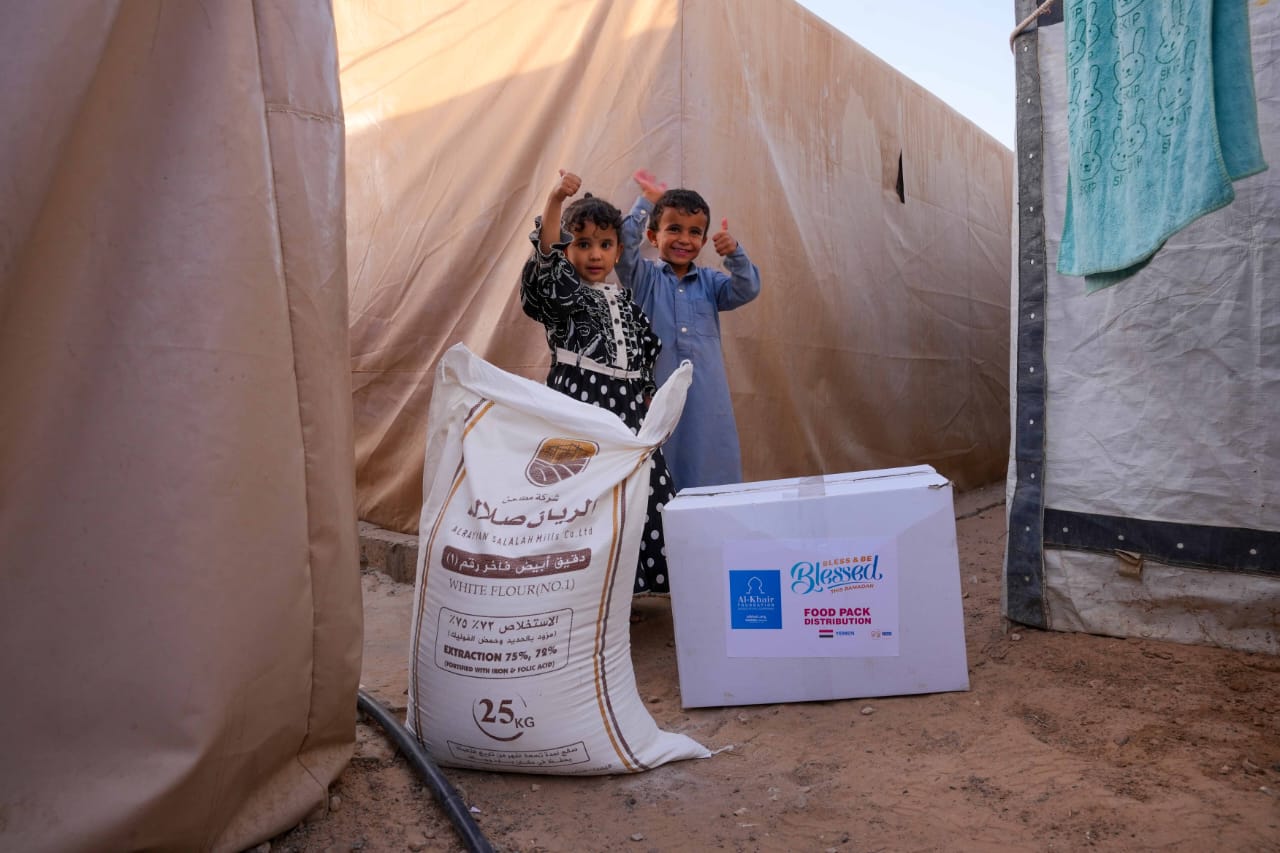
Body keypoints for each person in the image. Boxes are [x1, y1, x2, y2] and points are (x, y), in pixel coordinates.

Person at [520, 170, 674, 596]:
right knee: (583, 498)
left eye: (604, 245)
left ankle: (630, 588)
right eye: (582, 244)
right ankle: (584, 592)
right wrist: (554, 200)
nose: (594, 254)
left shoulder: (624, 299)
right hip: (580, 406)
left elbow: (645, 351)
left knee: (646, 489)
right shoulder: (564, 296)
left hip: (627, 411)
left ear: (618, 250)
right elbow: (547, 260)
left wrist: (645, 396)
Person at [616, 170, 761, 492]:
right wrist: (645, 203)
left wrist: (735, 253)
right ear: (653, 237)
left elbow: (747, 288)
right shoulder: (644, 278)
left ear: (704, 241)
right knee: (657, 465)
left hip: (706, 396)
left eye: (695, 232)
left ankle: (710, 529)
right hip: (653, 394)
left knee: (708, 460)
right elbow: (623, 251)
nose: (684, 239)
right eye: (674, 229)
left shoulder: (710, 283)